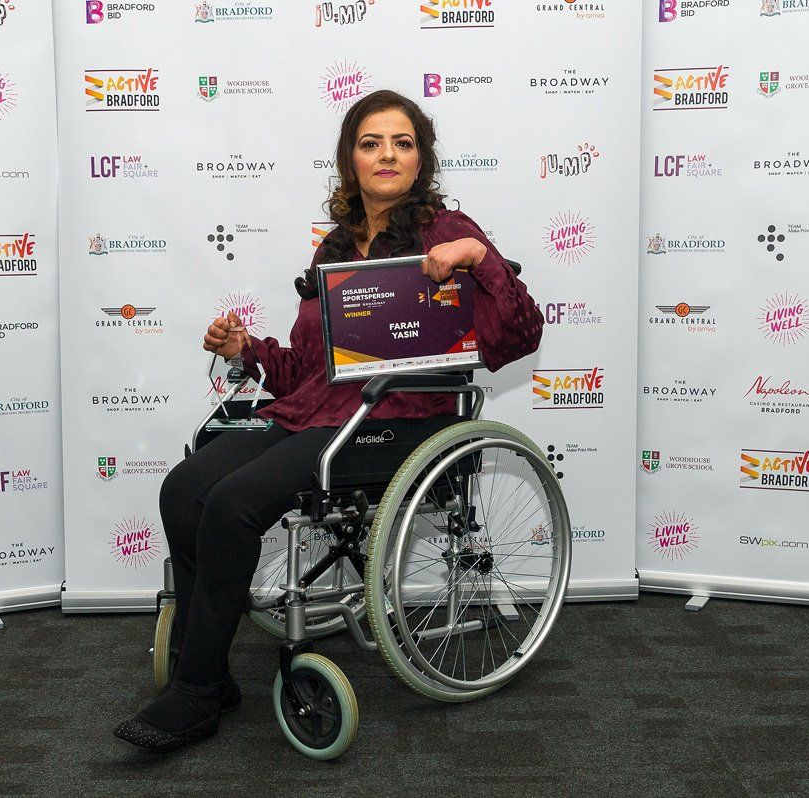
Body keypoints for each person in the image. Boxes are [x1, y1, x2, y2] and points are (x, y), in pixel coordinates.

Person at [113, 89, 545, 754]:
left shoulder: (449, 230)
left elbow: (517, 335)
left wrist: (478, 261)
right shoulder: (337, 248)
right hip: (322, 414)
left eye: (402, 142)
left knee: (232, 505)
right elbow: (311, 373)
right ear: (350, 159)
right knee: (183, 488)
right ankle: (211, 673)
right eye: (370, 143)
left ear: (421, 157)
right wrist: (248, 352)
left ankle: (195, 695)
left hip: (399, 420)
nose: (386, 155)